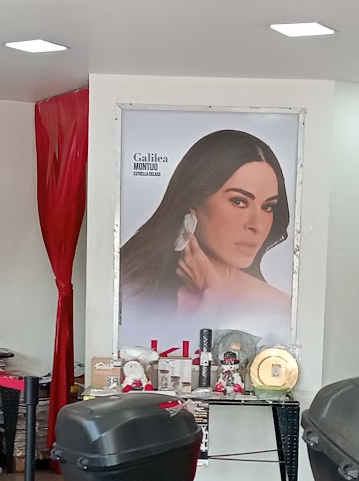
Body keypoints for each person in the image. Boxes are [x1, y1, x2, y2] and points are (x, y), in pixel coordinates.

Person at [119, 129, 293, 348]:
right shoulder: (134, 285)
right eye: (239, 201)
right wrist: (210, 300)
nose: (256, 225)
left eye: (267, 207)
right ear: (194, 199)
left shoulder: (281, 308)